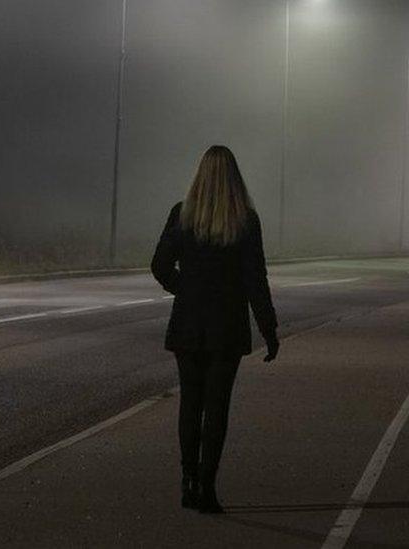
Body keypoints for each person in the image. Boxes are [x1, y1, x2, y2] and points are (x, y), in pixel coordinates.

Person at [151, 145, 280, 514]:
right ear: (235, 179)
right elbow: (256, 281)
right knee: (217, 407)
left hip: (188, 323)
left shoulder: (182, 215)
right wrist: (269, 329)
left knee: (190, 404)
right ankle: (207, 487)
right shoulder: (246, 221)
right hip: (227, 325)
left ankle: (187, 480)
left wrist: (185, 289)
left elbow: (159, 264)